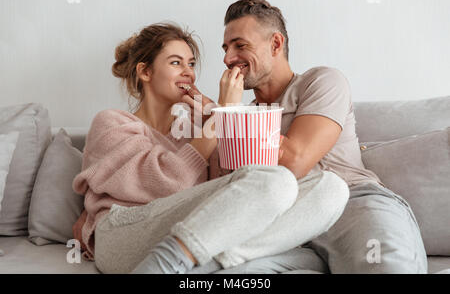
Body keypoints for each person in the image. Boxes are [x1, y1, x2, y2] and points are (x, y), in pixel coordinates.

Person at [71, 22, 349, 274]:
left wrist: (215, 120)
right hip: (124, 235)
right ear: (145, 71)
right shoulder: (112, 123)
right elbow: (166, 183)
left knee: (331, 188)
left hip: (193, 232)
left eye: (191, 64)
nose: (188, 73)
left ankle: (203, 263)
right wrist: (224, 113)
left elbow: (233, 192)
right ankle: (174, 262)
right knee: (276, 179)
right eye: (176, 62)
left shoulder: (199, 125)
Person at [187, 0, 427, 274]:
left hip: (351, 205)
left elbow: (294, 162)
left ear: (276, 44)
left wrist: (229, 113)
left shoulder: (321, 82)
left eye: (240, 45)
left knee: (384, 268)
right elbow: (228, 192)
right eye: (226, 48)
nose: (228, 58)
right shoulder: (236, 116)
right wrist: (219, 119)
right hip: (287, 228)